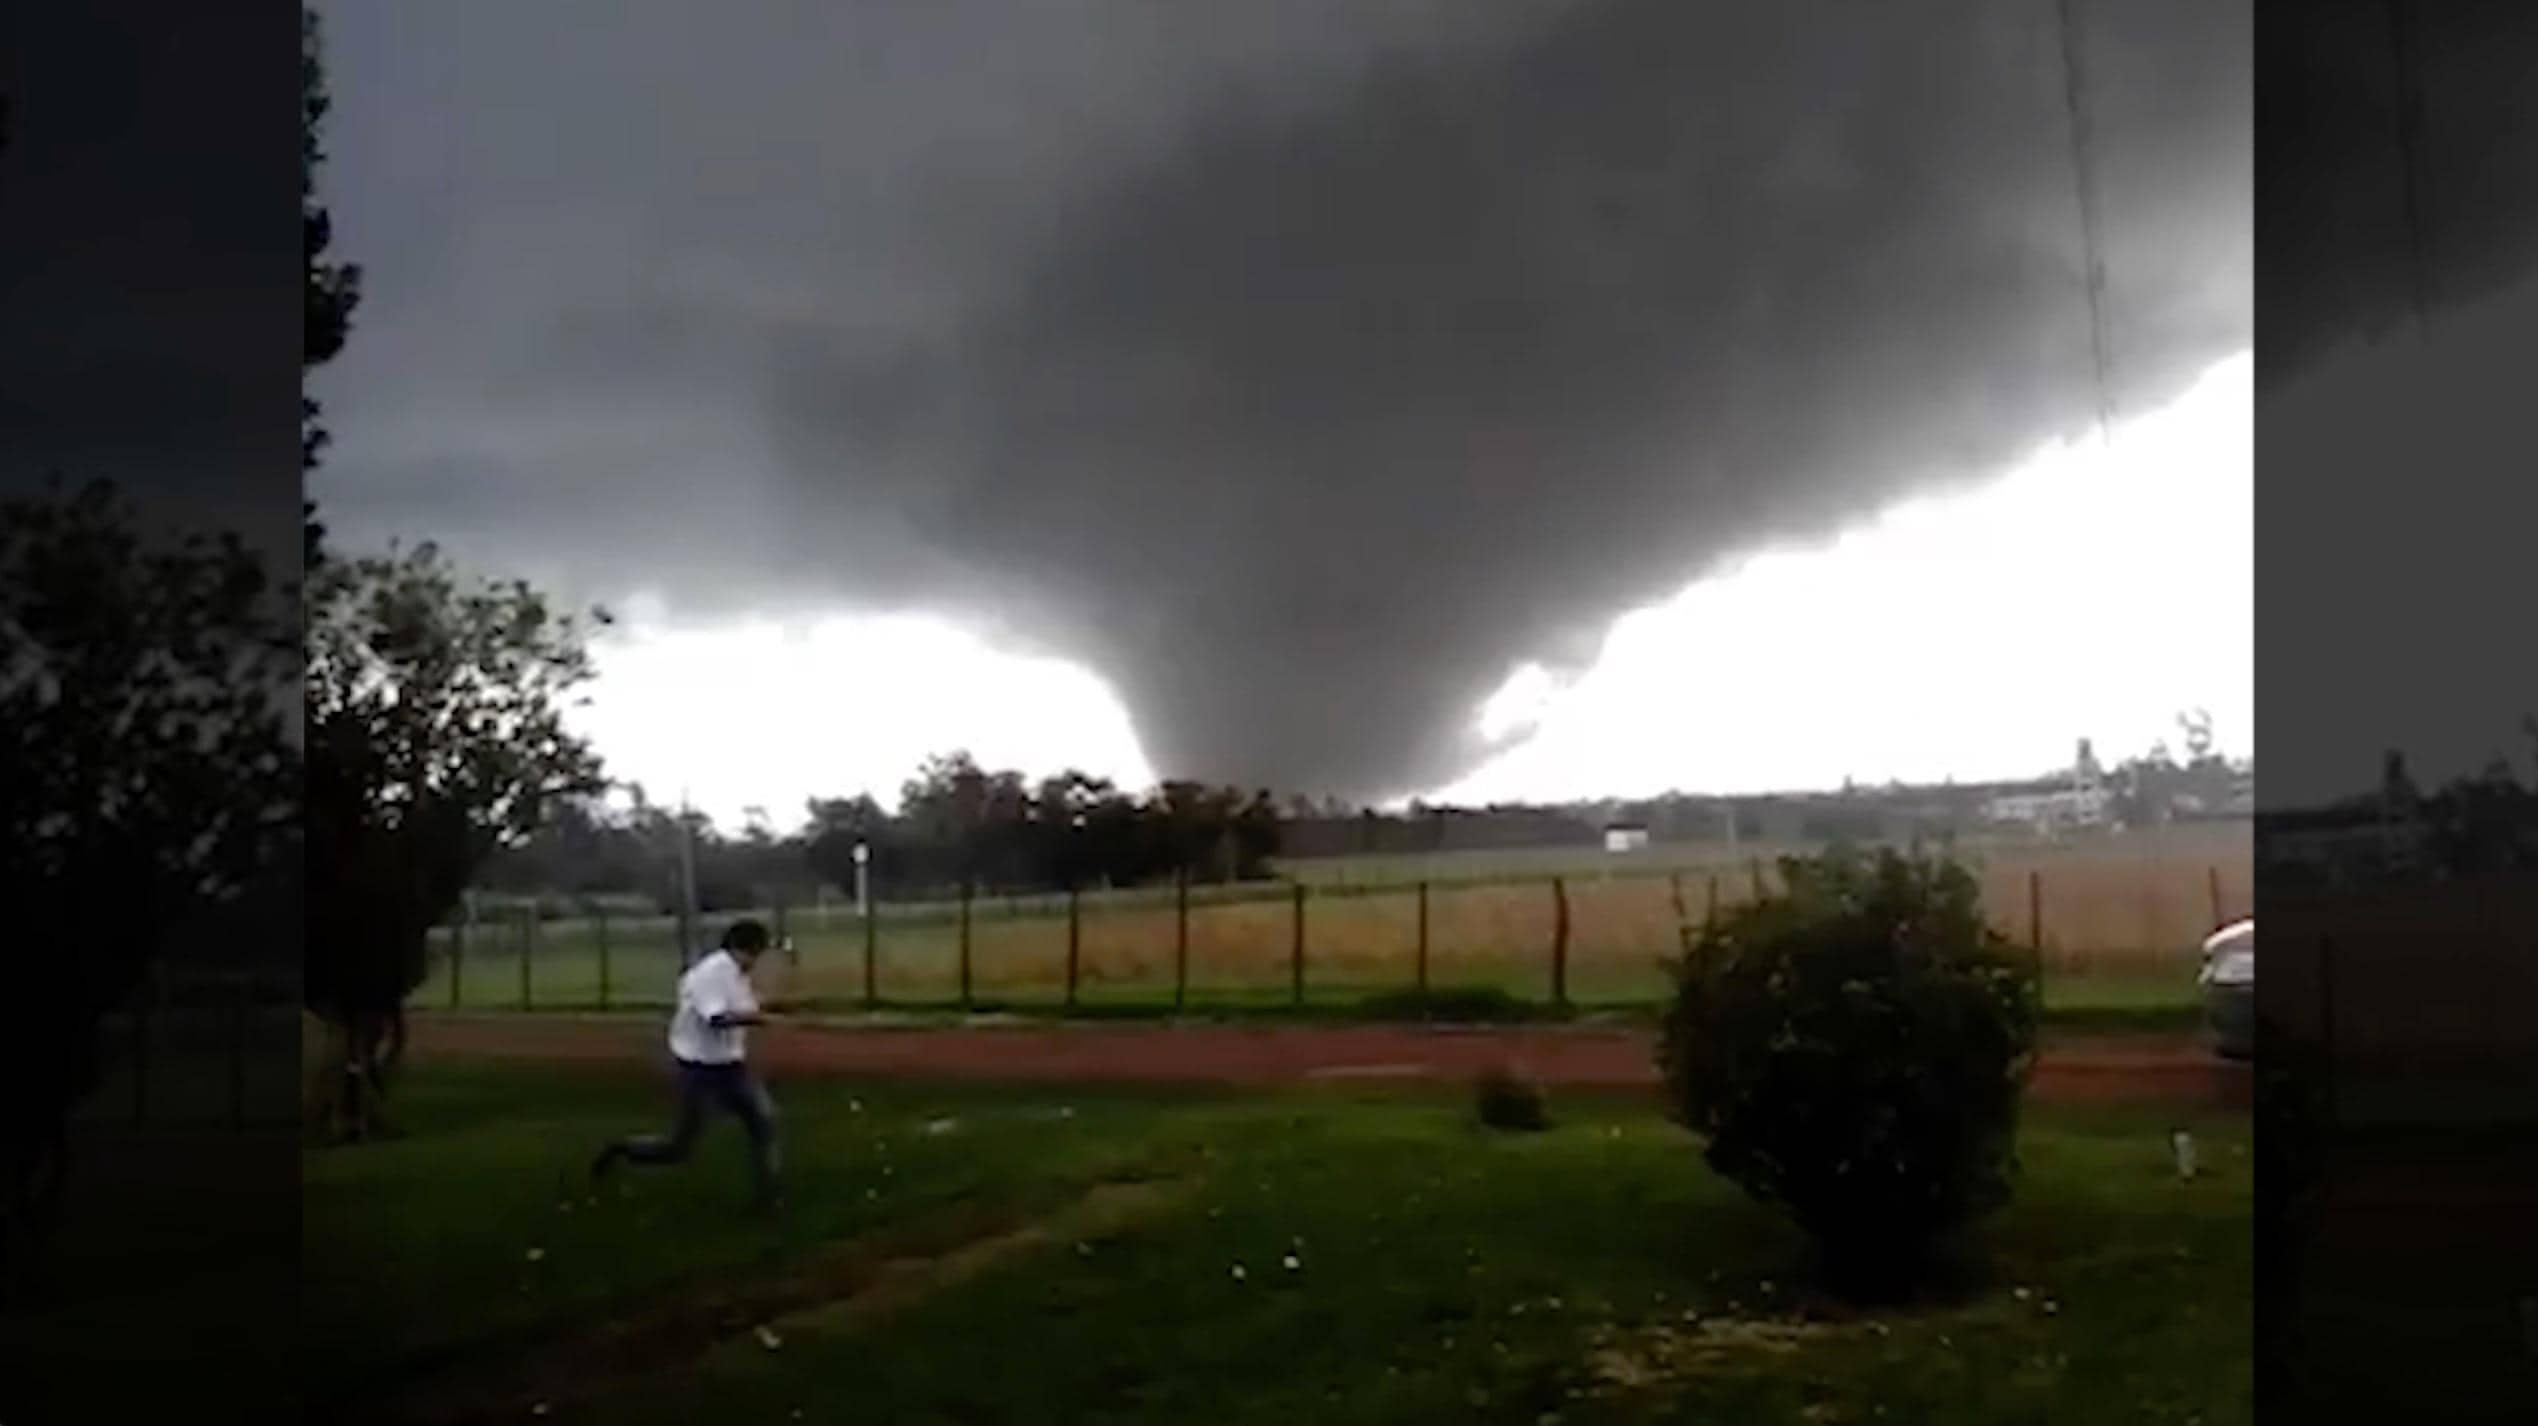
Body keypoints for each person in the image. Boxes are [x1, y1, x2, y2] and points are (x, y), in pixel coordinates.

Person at [592, 918, 785, 1210]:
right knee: (678, 1147)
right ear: (740, 949)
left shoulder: (737, 975)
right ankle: (620, 1151)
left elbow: (744, 1009)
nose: (756, 962)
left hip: (730, 1065)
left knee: (764, 1122)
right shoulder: (710, 973)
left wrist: (757, 1011)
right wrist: (756, 1019)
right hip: (699, 1068)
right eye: (755, 954)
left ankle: (767, 1197)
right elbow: (717, 1018)